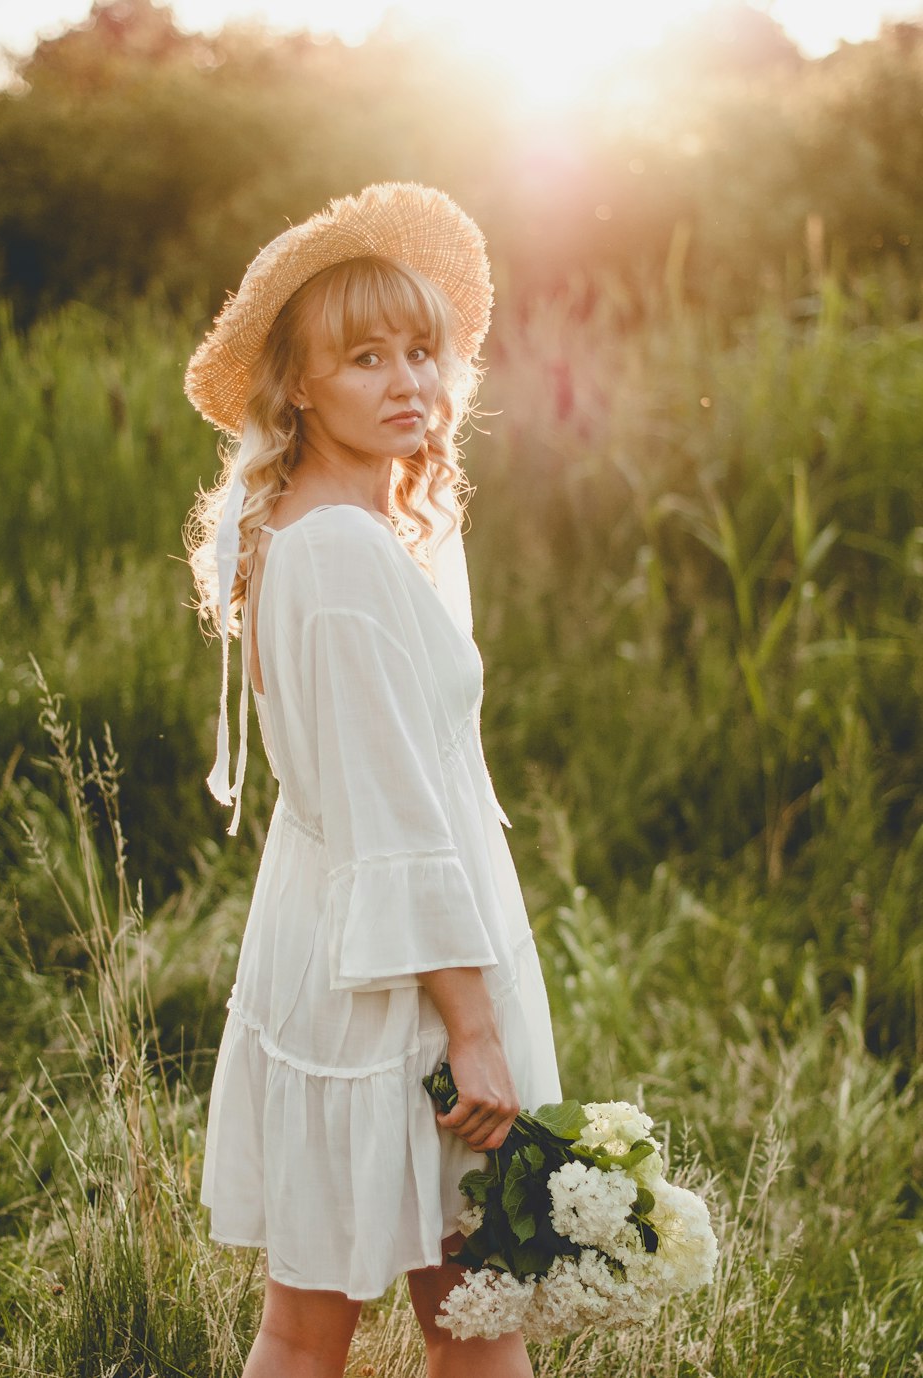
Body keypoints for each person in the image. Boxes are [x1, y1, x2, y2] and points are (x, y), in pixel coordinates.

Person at [183, 183, 561, 1378]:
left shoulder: (329, 524)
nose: (410, 382)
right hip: (395, 981)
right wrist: (476, 1027)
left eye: (421, 351)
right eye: (363, 357)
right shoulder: (337, 553)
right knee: (439, 1320)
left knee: (383, 1314)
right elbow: (397, 821)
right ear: (299, 385)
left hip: (353, 941)